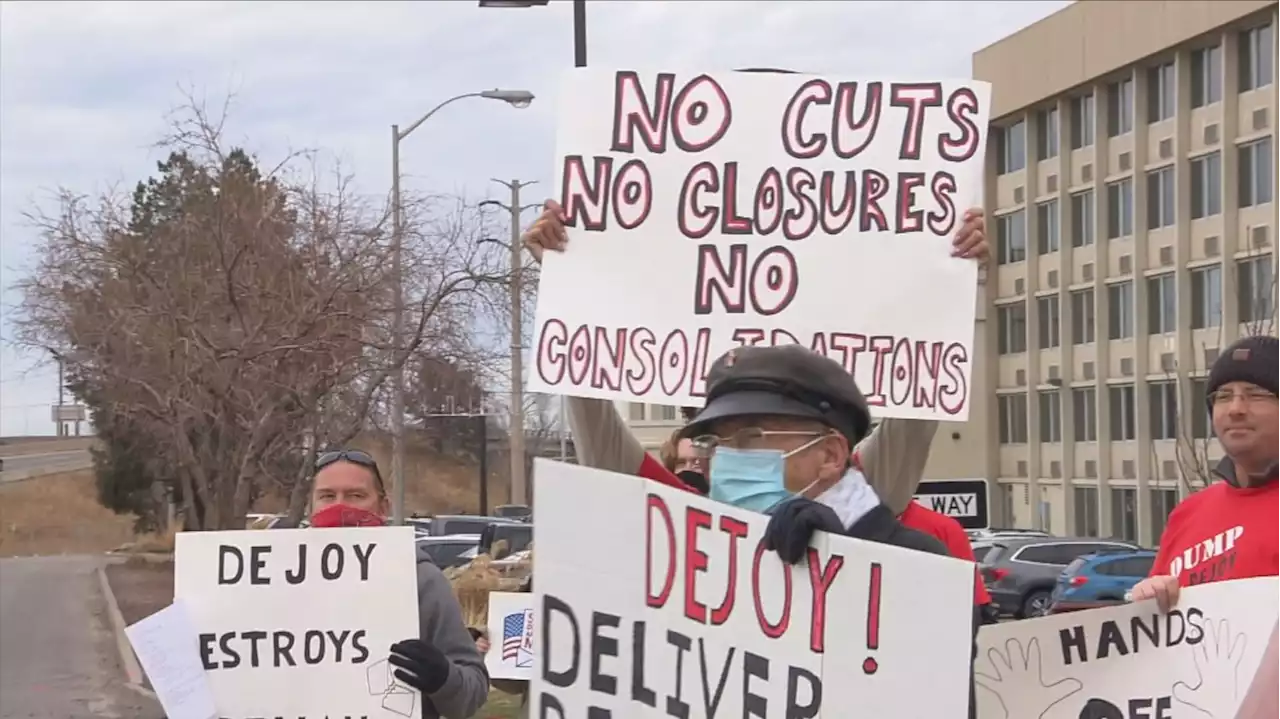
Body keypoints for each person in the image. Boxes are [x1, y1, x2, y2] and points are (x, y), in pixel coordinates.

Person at [521, 198, 990, 507]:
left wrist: (949, 278)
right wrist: (567, 287)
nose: (728, 458)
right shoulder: (675, 520)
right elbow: (594, 424)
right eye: (717, 441)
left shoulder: (858, 505)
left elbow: (917, 409)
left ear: (830, 453)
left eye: (750, 436)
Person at [310, 450, 490, 719]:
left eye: (355, 496)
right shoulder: (268, 580)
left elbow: (472, 692)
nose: (340, 507)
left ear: (383, 507)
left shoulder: (420, 580)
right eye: (327, 496)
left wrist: (443, 678)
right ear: (310, 506)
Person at [1129, 335, 1280, 612]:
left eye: (1256, 394)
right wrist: (1147, 599)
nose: (1235, 409)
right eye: (1223, 396)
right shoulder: (1188, 513)